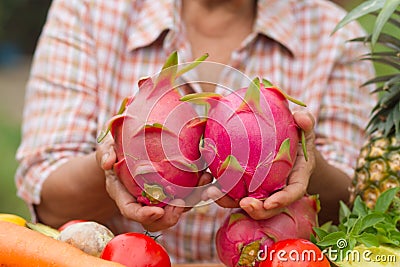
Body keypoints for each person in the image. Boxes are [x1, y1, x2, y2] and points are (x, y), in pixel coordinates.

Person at [15, 0, 375, 263]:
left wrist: (303, 158)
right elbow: (49, 200)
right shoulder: (89, 11)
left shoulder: (337, 35)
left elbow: (355, 205)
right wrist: (118, 161)